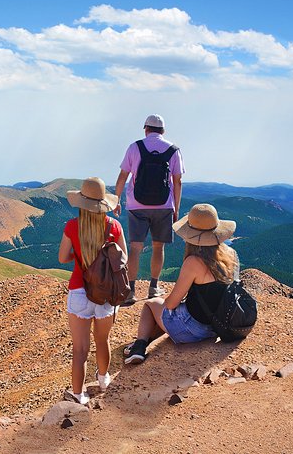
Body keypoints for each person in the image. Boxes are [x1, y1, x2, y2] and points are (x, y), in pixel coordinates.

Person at [123, 203, 238, 364]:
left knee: (151, 304)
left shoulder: (194, 261)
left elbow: (171, 305)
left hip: (193, 330)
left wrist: (165, 301)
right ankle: (142, 343)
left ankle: (139, 346)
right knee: (164, 310)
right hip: (217, 326)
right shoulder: (231, 254)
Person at [58, 177, 128, 403]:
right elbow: (123, 258)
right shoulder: (114, 226)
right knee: (102, 340)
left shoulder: (72, 226)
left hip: (79, 290)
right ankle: (103, 379)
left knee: (80, 350)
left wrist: (79, 258)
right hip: (106, 292)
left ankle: (78, 395)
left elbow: (62, 258)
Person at [114, 114, 185, 305]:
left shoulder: (134, 147)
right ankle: (154, 287)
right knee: (158, 246)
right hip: (163, 206)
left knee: (135, 248)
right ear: (163, 131)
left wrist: (117, 200)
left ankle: (131, 291)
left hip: (137, 204)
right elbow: (177, 182)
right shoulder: (173, 150)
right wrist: (176, 208)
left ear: (145, 129)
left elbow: (123, 176)